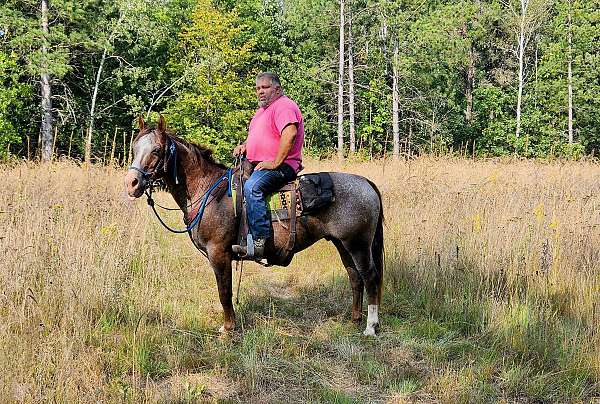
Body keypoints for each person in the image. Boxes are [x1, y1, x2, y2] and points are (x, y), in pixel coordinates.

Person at [232, 72, 304, 259]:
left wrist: (275, 162)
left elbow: (290, 134)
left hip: (283, 165)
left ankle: (260, 241)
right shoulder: (260, 112)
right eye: (257, 88)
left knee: (253, 187)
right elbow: (260, 137)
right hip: (258, 164)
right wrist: (245, 146)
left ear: (277, 89)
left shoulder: (284, 106)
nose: (260, 92)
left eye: (265, 88)